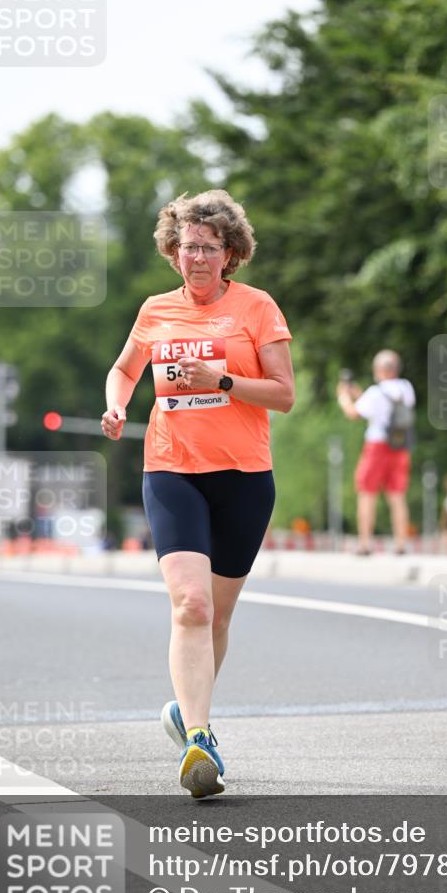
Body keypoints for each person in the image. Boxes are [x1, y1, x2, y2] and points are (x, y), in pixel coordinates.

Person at [102, 190, 294, 799]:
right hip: (171, 469)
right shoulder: (156, 309)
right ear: (173, 251)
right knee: (191, 605)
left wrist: (224, 380)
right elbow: (125, 370)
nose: (198, 258)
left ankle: (187, 711)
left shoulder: (257, 308)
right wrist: (116, 405)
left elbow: (284, 394)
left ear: (230, 253)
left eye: (210, 248)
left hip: (243, 476)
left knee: (219, 614)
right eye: (188, 247)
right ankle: (201, 738)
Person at [337, 349, 415, 555]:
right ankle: (401, 544)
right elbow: (382, 405)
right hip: (399, 446)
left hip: (377, 446)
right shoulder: (406, 388)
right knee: (397, 495)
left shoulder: (375, 392)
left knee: (367, 492)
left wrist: (343, 397)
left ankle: (364, 543)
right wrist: (359, 394)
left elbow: (354, 413)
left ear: (381, 369)